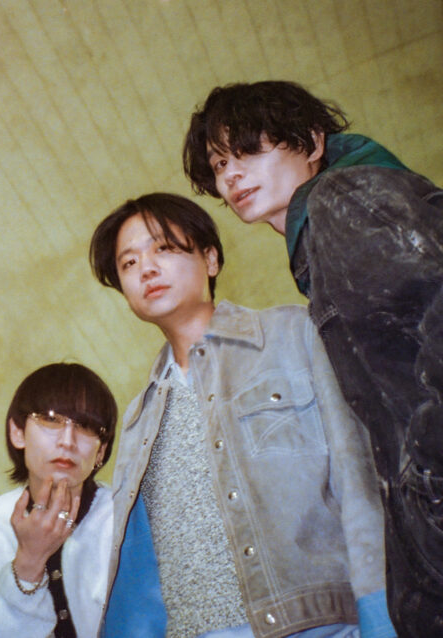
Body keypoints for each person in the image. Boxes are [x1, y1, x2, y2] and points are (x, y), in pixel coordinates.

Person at [182, 80, 443, 634]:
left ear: (313, 142)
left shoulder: (344, 200)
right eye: (221, 163)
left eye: (249, 150)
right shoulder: (328, 226)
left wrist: (430, 487)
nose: (231, 175)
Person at [89, 193, 392, 638]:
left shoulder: (295, 334)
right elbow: (140, 573)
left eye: (163, 248)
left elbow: (360, 482)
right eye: (129, 263)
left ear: (210, 259)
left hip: (317, 626)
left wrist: (381, 619)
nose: (146, 269)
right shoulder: (140, 417)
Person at [0, 363, 116, 638]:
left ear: (101, 451)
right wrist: (29, 562)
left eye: (86, 426)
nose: (67, 441)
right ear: (18, 432)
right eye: (51, 420)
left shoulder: (124, 523)